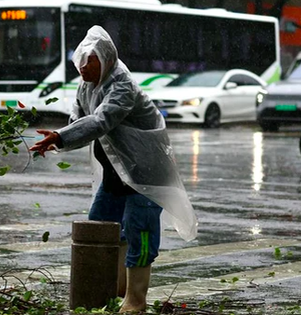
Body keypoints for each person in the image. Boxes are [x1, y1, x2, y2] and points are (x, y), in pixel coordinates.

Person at [29, 26, 197, 313]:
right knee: (100, 227)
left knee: (139, 230)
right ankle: (113, 292)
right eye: (80, 60)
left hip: (145, 174)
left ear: (105, 58)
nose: (83, 67)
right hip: (115, 174)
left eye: (89, 60)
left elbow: (100, 122)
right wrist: (59, 139)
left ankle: (135, 300)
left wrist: (60, 137)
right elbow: (79, 120)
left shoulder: (123, 85)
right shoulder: (86, 87)